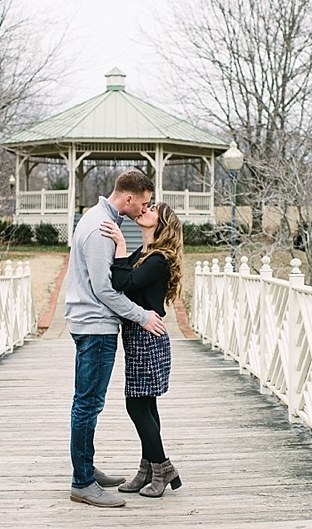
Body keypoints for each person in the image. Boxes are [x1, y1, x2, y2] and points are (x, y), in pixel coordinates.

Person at [65, 170, 167, 508]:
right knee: (88, 404)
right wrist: (142, 316)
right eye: (144, 202)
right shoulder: (100, 229)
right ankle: (82, 482)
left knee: (89, 402)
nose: (144, 209)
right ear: (128, 198)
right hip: (95, 326)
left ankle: (86, 468)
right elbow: (104, 288)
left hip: (95, 324)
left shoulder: (102, 220)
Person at [99, 201, 184, 498]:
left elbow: (123, 281)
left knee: (136, 405)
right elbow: (119, 276)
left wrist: (120, 243)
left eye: (152, 210)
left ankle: (163, 467)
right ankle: (148, 468)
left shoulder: (159, 259)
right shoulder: (144, 254)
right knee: (146, 405)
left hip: (148, 337)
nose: (144, 210)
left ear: (160, 224)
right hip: (138, 336)